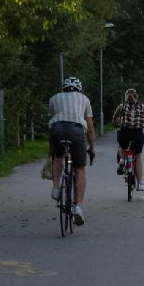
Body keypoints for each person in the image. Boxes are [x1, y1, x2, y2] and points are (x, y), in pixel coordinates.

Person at [48, 75, 94, 224]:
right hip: (76, 130)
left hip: (57, 129)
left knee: (57, 156)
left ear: (64, 88)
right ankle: (79, 208)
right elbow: (90, 129)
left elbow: (53, 118)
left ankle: (55, 188)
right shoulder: (84, 99)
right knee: (80, 168)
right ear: (79, 89)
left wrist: (51, 148)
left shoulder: (54, 98)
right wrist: (92, 147)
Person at [112, 87, 144, 190]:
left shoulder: (122, 106)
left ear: (125, 97)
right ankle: (140, 183)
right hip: (137, 135)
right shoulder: (142, 107)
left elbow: (114, 119)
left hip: (125, 133)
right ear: (136, 97)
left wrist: (117, 121)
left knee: (122, 146)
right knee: (138, 156)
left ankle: (122, 160)